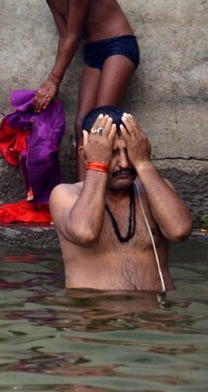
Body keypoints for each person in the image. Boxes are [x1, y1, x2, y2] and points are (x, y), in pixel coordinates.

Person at [17, 0, 138, 178]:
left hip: (118, 46)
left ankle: (106, 193)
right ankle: (82, 193)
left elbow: (74, 34)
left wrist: (54, 79)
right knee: (82, 123)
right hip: (93, 51)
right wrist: (52, 81)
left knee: (101, 123)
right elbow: (65, 34)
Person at [49, 107, 191, 292]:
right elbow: (85, 232)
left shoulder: (154, 191)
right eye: (113, 152)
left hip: (153, 317)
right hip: (95, 316)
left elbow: (179, 231)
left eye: (129, 151)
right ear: (86, 153)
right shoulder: (64, 195)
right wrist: (98, 163)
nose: (124, 163)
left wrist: (143, 163)